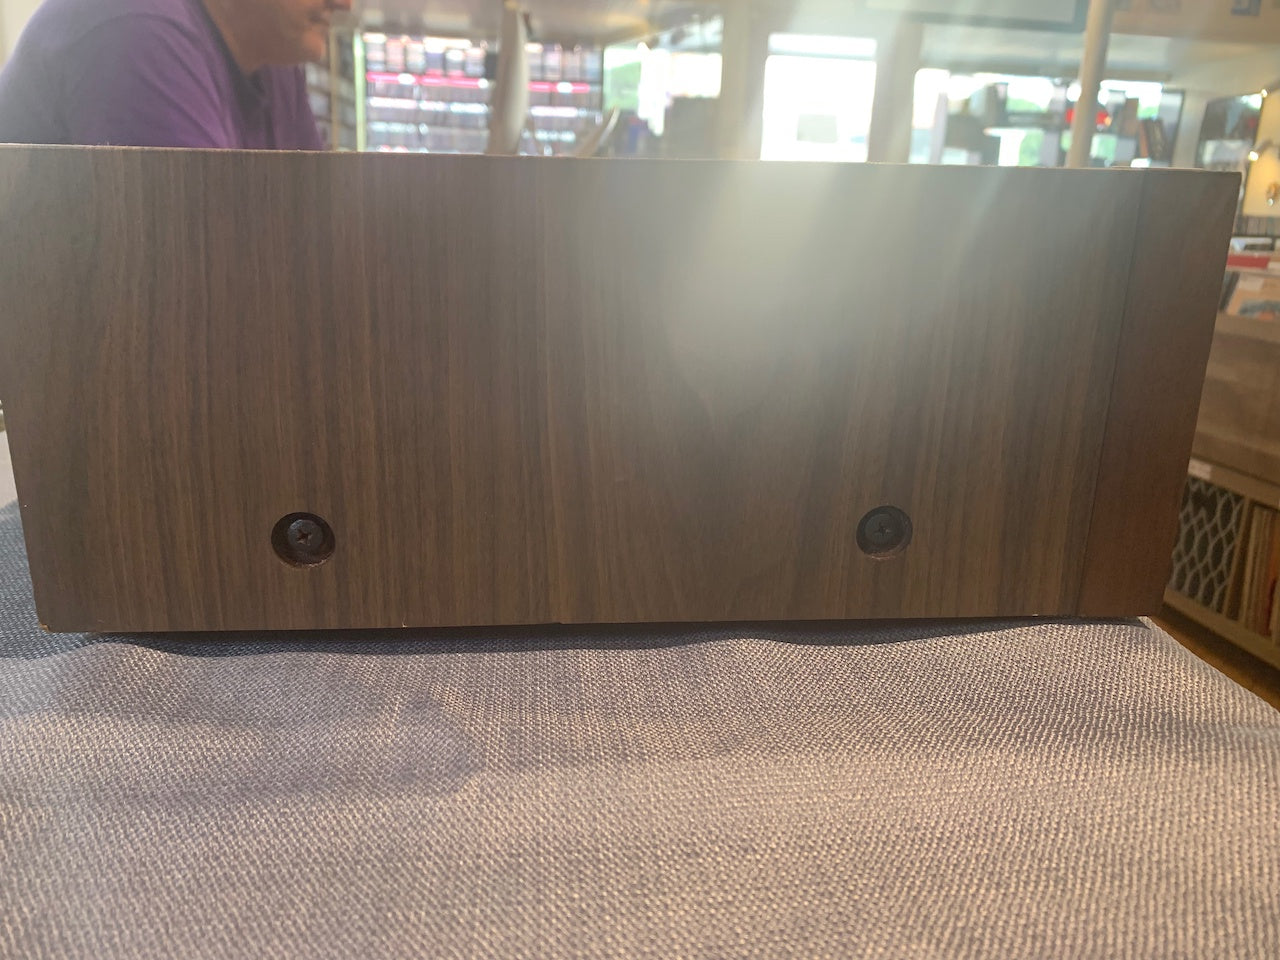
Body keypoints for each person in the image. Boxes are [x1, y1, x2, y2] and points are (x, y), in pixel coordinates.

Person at [0, 0, 351, 149]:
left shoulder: (273, 56)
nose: (345, 4)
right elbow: (200, 270)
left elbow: (315, 237)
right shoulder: (138, 27)